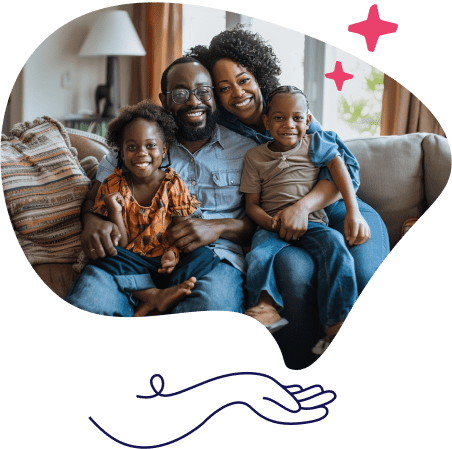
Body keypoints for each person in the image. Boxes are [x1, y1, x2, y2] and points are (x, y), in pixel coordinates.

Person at [187, 27, 389, 364]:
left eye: (243, 79)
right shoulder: (221, 132)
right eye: (224, 88)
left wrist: (302, 206)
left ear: (258, 73)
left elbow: (345, 171)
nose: (238, 93)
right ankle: (302, 367)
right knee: (295, 276)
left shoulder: (290, 109)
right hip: (278, 223)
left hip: (335, 207)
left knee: (366, 275)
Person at [76, 57, 257, 317]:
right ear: (164, 100)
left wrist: (220, 226)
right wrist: (92, 222)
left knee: (210, 311)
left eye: (203, 91)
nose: (194, 101)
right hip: (132, 255)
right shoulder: (140, 145)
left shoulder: (246, 151)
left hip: (213, 258)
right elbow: (93, 201)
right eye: (181, 93)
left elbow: (262, 226)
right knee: (88, 304)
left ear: (214, 96)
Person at [241, 86, 371, 353]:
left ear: (308, 121)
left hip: (314, 224)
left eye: (297, 118)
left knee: (336, 246)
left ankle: (337, 326)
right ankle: (265, 306)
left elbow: (340, 171)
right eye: (279, 118)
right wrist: (267, 223)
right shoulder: (255, 157)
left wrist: (352, 211)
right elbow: (251, 205)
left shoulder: (316, 144)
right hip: (272, 226)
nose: (289, 125)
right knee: (258, 255)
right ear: (266, 121)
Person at [65, 100, 221, 317]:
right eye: (132, 147)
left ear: (164, 149)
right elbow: (121, 244)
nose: (141, 153)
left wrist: (173, 254)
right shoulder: (113, 184)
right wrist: (114, 211)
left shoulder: (173, 183)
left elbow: (182, 232)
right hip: (130, 260)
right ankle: (152, 297)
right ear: (121, 151)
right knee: (104, 254)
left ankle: (160, 294)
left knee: (206, 256)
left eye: (150, 146)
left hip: (165, 262)